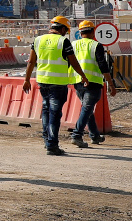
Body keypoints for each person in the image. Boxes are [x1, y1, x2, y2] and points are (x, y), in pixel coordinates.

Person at [23, 16, 89, 156]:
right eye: (66, 30)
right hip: (57, 84)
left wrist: (27, 79)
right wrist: (83, 76)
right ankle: (52, 145)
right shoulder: (63, 41)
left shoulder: (38, 40)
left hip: (42, 81)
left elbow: (31, 61)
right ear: (63, 28)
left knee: (46, 111)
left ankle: (48, 141)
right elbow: (74, 62)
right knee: (54, 113)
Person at [68, 20, 117, 148]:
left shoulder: (73, 44)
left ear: (80, 32)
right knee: (87, 108)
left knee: (87, 108)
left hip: (77, 82)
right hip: (92, 82)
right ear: (93, 31)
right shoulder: (96, 45)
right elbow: (103, 66)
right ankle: (76, 135)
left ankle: (95, 135)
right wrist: (111, 84)